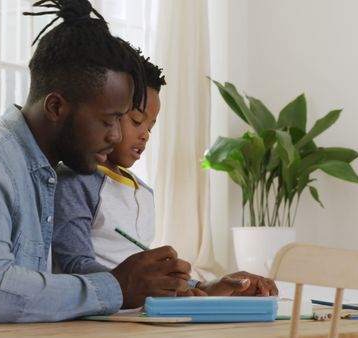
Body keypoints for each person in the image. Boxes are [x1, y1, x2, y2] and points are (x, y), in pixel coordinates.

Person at [0, 0, 192, 328]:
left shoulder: (46, 175)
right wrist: (117, 286)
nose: (117, 136)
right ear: (56, 107)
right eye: (109, 120)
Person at [52, 53, 279, 297]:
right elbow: (74, 266)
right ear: (110, 112)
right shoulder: (77, 182)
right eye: (137, 120)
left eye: (150, 127)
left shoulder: (144, 192)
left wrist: (203, 286)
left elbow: (143, 271)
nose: (145, 135)